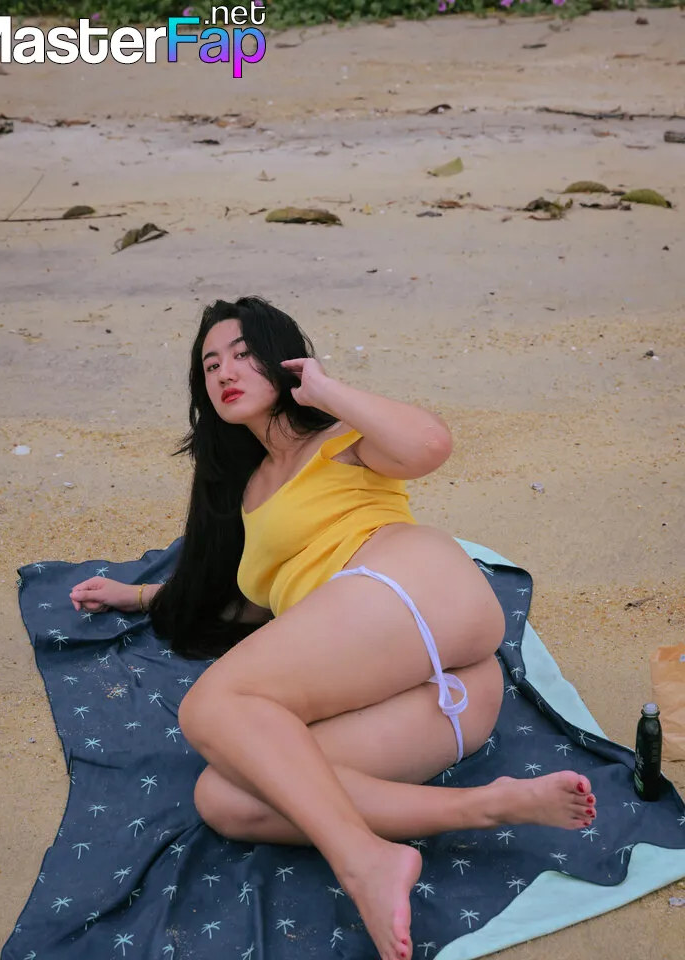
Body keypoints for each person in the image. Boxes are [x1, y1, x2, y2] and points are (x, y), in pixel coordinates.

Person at [70, 296, 597, 960]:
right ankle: (486, 807)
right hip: (456, 697)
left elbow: (431, 445)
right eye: (210, 364)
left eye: (242, 354)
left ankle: (365, 861)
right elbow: (249, 605)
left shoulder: (339, 440)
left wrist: (325, 390)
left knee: (213, 706)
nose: (225, 371)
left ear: (281, 359)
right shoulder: (246, 492)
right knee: (228, 796)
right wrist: (142, 595)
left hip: (420, 589)